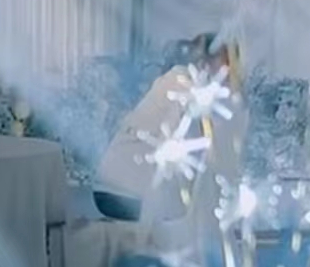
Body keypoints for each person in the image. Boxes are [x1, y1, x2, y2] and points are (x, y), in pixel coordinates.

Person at [93, 33, 243, 223]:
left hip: (117, 188)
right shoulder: (183, 86)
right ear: (206, 62)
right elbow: (173, 144)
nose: (230, 72)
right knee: (188, 217)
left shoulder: (187, 86)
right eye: (226, 63)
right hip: (125, 192)